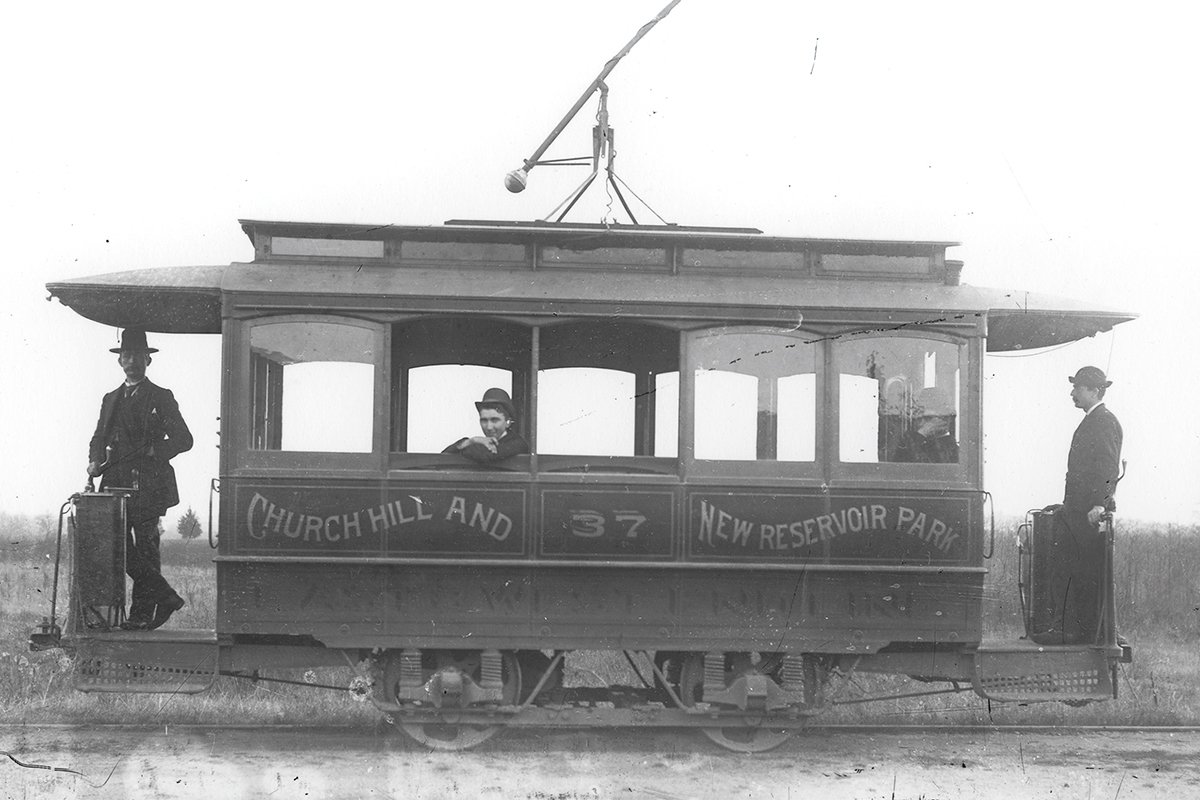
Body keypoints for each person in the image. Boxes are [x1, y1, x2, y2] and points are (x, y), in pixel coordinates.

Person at [86, 329, 193, 631]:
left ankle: (141, 616)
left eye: (138, 356)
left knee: (146, 549)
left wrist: (154, 450)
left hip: (149, 486)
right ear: (120, 360)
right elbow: (98, 438)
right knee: (116, 549)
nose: (133, 361)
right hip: (113, 486)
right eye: (127, 355)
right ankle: (166, 596)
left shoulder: (161, 397)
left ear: (148, 359)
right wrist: (94, 461)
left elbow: (184, 439)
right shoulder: (110, 399)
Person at [1039, 365, 1123, 645]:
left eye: (1078, 388)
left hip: (1087, 515)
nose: (1072, 392)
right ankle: (1069, 629)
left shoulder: (1104, 421)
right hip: (1076, 511)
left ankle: (1074, 631)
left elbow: (1107, 466)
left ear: (1093, 390)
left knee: (1080, 572)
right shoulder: (1094, 420)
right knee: (1070, 569)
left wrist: (1099, 504)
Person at [442, 387, 530, 463]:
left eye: (495, 420)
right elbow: (442, 457)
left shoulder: (518, 444)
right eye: (484, 420)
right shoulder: (481, 443)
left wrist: (471, 443)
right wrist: (471, 441)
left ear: (508, 422)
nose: (489, 427)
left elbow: (485, 456)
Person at [893, 387, 959, 464]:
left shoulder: (948, 446)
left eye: (927, 418)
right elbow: (898, 463)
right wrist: (922, 433)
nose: (919, 420)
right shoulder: (911, 439)